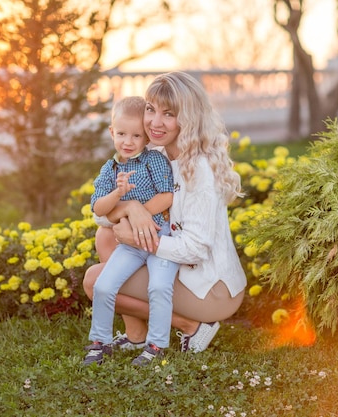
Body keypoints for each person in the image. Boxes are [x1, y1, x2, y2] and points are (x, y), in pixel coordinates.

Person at [84, 71, 247, 356]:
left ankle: (192, 324)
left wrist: (138, 238)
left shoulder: (199, 171)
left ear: (188, 119)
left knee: (95, 281)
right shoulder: (154, 154)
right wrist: (132, 207)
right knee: (105, 236)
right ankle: (136, 336)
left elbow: (195, 249)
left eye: (168, 114)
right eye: (150, 109)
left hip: (209, 287)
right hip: (175, 266)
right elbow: (100, 215)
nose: (154, 122)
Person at [83, 96, 180, 367]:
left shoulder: (154, 161)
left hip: (160, 238)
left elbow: (166, 197)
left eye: (136, 135)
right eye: (122, 134)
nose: (128, 141)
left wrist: (139, 214)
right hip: (130, 244)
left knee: (159, 286)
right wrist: (119, 193)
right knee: (103, 285)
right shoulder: (110, 169)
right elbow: (100, 208)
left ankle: (156, 344)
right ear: (112, 132)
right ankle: (99, 341)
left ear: (146, 137)